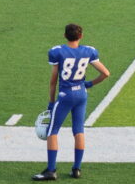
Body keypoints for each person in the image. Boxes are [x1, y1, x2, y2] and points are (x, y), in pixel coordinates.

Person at [32, 23, 110, 181]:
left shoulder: (57, 51)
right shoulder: (89, 51)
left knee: (52, 131)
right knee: (79, 130)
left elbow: (53, 81)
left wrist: (51, 102)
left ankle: (51, 170)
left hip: (66, 95)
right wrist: (89, 84)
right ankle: (76, 169)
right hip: (81, 94)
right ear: (81, 36)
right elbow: (105, 73)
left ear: (64, 35)